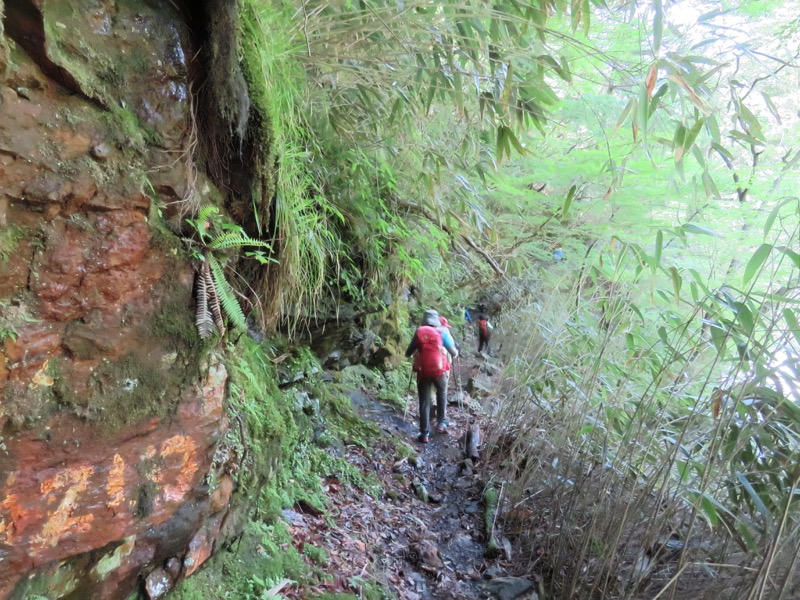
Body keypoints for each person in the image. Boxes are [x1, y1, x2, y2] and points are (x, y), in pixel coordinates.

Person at [405, 309, 458, 443]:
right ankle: (441, 423)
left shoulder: (419, 333)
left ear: (424, 321)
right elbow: (453, 352)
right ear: (436, 321)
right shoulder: (442, 333)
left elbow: (408, 353)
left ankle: (424, 433)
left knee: (424, 401)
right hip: (440, 372)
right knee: (442, 393)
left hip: (423, 372)